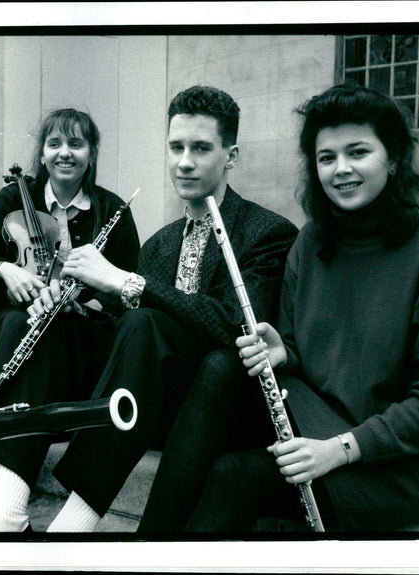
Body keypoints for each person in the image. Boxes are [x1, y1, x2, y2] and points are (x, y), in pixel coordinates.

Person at [144, 84, 419, 533]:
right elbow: (300, 348)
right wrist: (283, 351)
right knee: (224, 366)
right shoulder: (312, 241)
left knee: (236, 475)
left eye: (358, 152)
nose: (341, 170)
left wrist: (340, 448)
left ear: (393, 158)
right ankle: (145, 548)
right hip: (319, 420)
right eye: (326, 157)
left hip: (407, 462)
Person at [37, 85, 298, 532]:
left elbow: (238, 325)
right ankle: (28, 498)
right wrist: (75, 312)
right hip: (154, 404)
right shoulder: (159, 243)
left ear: (230, 156)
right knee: (101, 325)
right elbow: (128, 330)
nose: (184, 162)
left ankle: (78, 518)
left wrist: (128, 281)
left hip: (223, 410)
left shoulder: (268, 232)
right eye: (176, 147)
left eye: (201, 148)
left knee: (155, 323)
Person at [0, 108, 140, 531]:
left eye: (76, 144)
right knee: (23, 325)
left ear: (91, 153)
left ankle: (1, 506)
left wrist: (88, 307)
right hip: (17, 331)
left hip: (82, 345)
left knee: (47, 329)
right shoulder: (14, 200)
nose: (64, 153)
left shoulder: (112, 211)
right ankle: (6, 504)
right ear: (42, 152)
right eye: (55, 144)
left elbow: (128, 293)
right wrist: (5, 270)